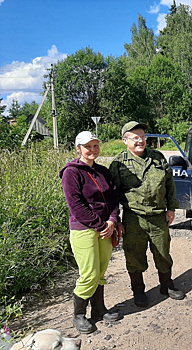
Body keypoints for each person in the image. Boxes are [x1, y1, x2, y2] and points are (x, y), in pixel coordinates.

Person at [109, 121, 185, 307]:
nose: (140, 141)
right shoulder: (118, 164)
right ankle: (138, 290)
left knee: (163, 253)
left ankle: (166, 285)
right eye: (135, 138)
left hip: (159, 216)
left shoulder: (158, 158)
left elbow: (169, 185)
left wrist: (171, 208)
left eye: (143, 137)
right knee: (134, 255)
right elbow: (112, 194)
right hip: (133, 218)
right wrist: (116, 220)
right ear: (125, 140)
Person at [59, 131, 122, 334]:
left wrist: (112, 220)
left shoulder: (103, 171)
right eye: (88, 147)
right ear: (79, 149)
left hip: (105, 227)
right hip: (84, 229)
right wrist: (101, 224)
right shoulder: (71, 172)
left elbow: (113, 199)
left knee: (101, 270)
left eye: (96, 146)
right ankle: (79, 315)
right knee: (89, 274)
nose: (93, 150)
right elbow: (76, 205)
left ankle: (99, 309)